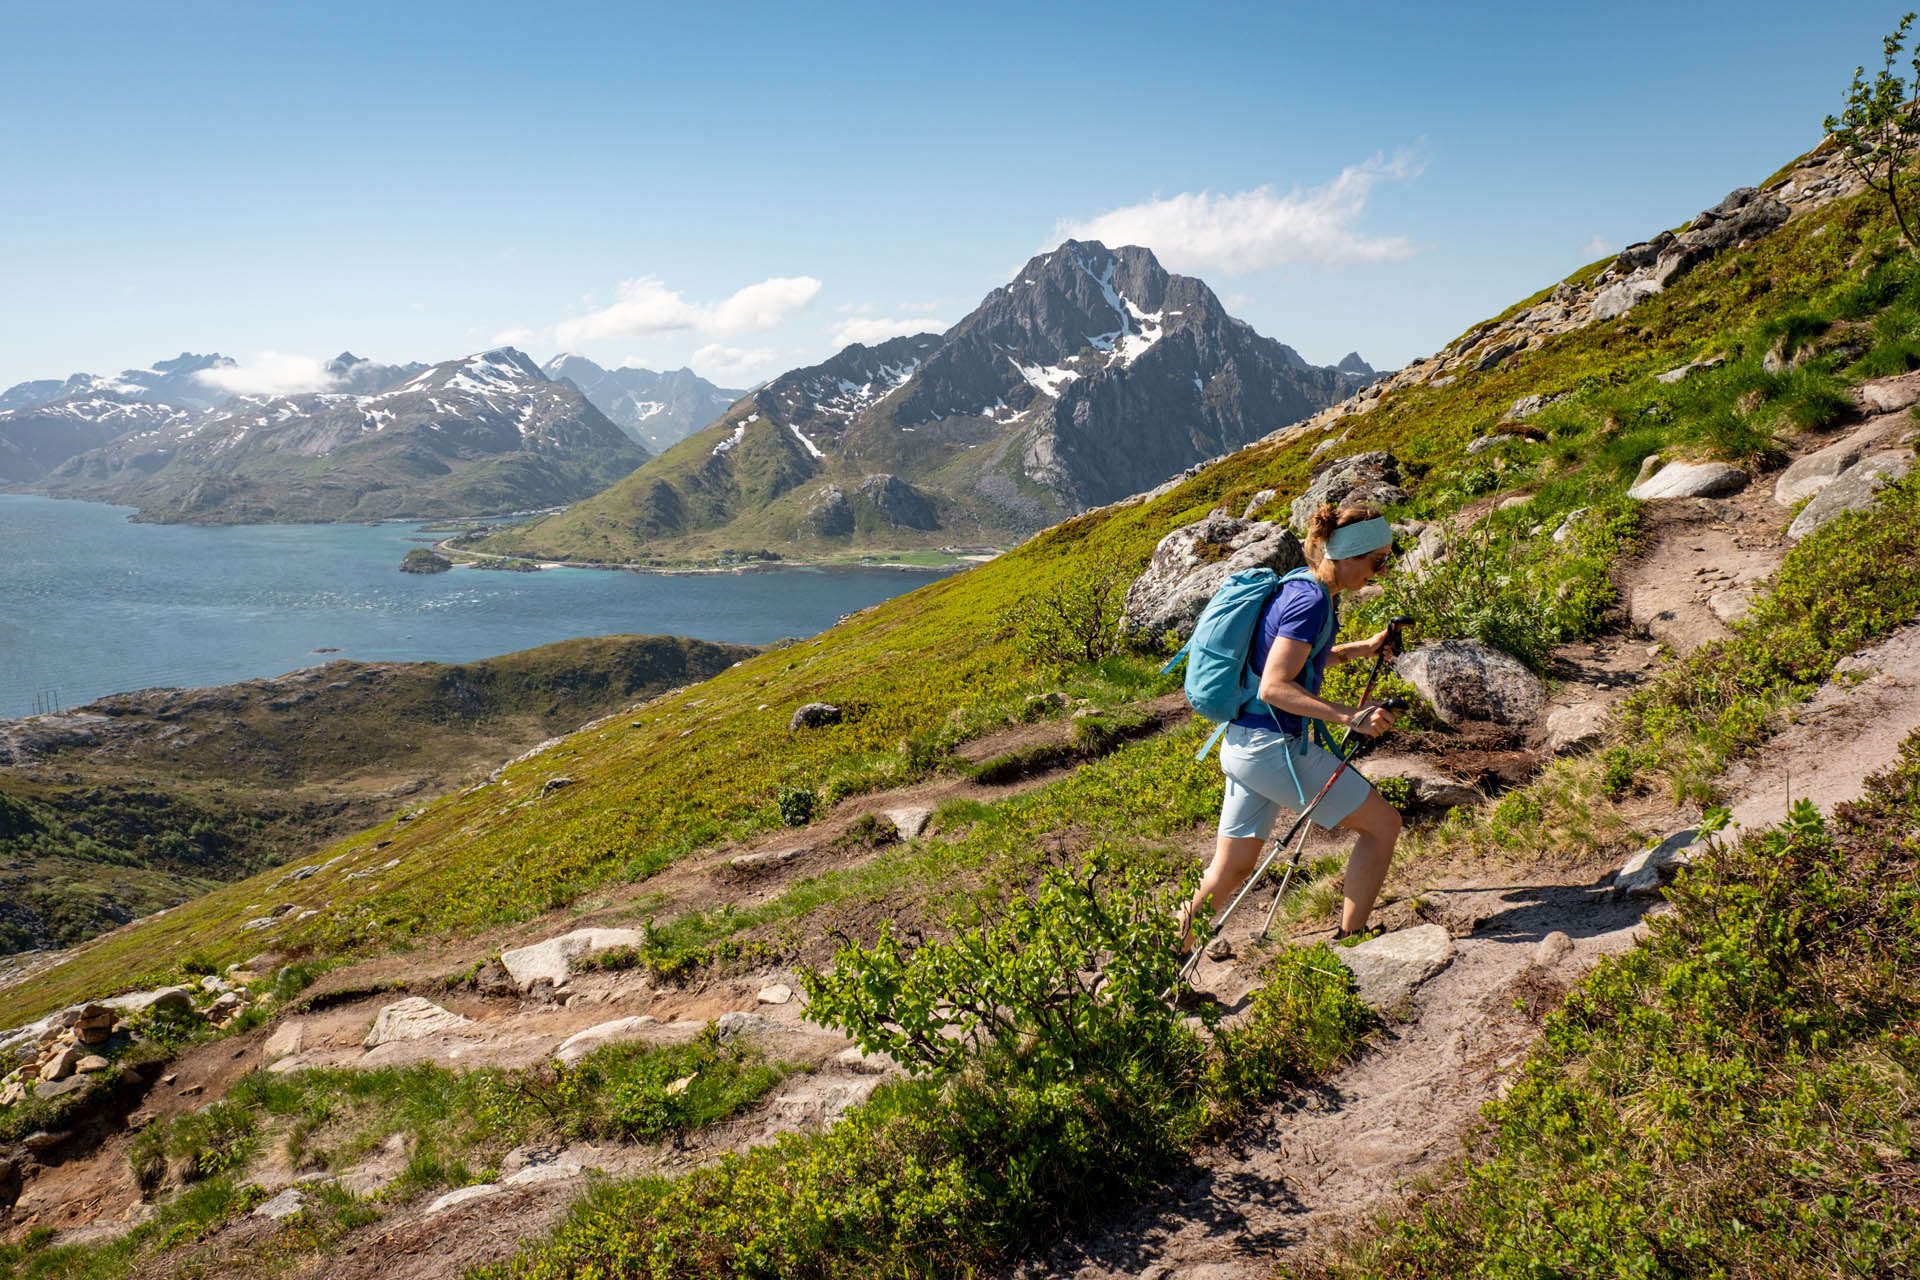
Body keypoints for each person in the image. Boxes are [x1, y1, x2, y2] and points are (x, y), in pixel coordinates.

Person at [1179, 502, 1404, 951]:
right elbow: (1275, 687)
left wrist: (1366, 647)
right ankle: (1352, 940)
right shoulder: (1311, 602)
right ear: (1347, 556)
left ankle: (1161, 962)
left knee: (1231, 867)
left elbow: (1306, 661)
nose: (1379, 572)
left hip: (1244, 744)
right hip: (1273, 749)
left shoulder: (1303, 588)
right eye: (1376, 561)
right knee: (1383, 826)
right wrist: (1352, 717)